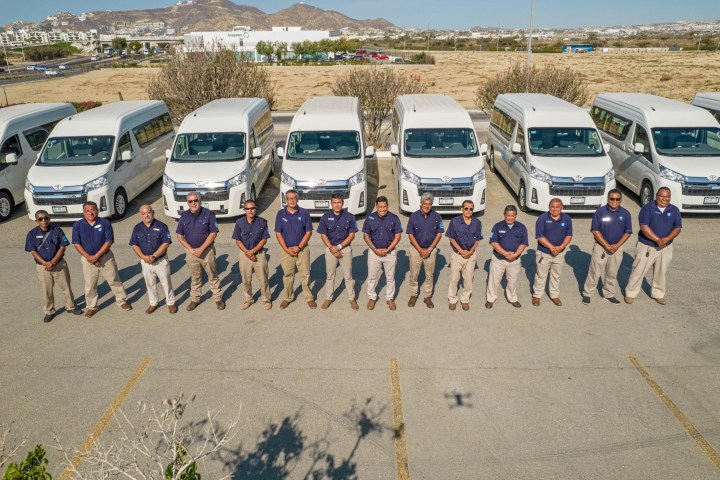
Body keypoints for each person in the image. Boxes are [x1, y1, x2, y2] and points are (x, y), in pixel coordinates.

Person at [72, 201, 131, 317]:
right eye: (87, 210)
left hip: (106, 258)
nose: (90, 212)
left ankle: (122, 301)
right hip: (87, 259)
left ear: (97, 211)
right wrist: (88, 257)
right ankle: (92, 306)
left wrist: (97, 256)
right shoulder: (78, 225)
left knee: (114, 280)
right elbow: (76, 243)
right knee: (90, 285)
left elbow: (108, 241)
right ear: (83, 213)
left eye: (93, 209)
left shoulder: (105, 223)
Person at [624, 187, 682, 305]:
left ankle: (658, 294)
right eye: (661, 196)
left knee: (661, 272)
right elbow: (644, 227)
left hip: (666, 247)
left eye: (667, 197)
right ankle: (630, 293)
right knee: (638, 270)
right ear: (656, 195)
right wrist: (657, 240)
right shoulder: (647, 208)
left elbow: (678, 228)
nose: (664, 199)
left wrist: (666, 239)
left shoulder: (674, 210)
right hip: (647, 246)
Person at [25, 210, 82, 322]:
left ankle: (71, 307)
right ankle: (49, 311)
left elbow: (62, 247)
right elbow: (33, 251)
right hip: (42, 267)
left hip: (59, 264)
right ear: (36, 221)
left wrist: (53, 262)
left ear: (49, 218)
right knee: (46, 290)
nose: (44, 220)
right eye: (40, 219)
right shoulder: (32, 234)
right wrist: (45, 263)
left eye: (46, 218)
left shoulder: (57, 230)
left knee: (66, 287)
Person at [581, 190, 632, 305]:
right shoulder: (600, 212)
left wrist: (617, 246)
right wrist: (606, 245)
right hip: (601, 247)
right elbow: (595, 230)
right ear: (608, 199)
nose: (614, 201)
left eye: (617, 199)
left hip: (617, 248)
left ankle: (608, 294)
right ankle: (587, 294)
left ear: (620, 200)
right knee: (594, 272)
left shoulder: (625, 214)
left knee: (612, 273)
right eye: (612, 199)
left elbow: (627, 232)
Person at [176, 192, 225, 311]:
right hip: (191, 252)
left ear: (200, 200)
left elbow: (213, 234)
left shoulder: (208, 214)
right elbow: (179, 235)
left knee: (212, 276)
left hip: (207, 252)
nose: (193, 203)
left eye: (195, 200)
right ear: (187, 203)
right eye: (190, 201)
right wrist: (191, 249)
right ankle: (195, 299)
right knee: (195, 277)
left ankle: (218, 299)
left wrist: (201, 249)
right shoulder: (184, 216)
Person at [129, 204, 176, 314]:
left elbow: (165, 243)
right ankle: (153, 303)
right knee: (150, 284)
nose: (146, 215)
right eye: (143, 213)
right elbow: (134, 245)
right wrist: (143, 257)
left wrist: (154, 256)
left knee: (166, 282)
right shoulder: (137, 228)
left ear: (153, 212)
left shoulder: (162, 226)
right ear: (140, 215)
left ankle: (171, 303)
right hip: (145, 262)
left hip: (161, 261)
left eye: (148, 212)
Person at [317, 193, 359, 310]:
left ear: (343, 203)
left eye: (339, 202)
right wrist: (332, 248)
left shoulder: (350, 217)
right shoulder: (325, 217)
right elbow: (323, 234)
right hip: (330, 248)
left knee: (348, 276)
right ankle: (329, 298)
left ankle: (352, 299)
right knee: (330, 276)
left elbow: (351, 235)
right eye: (334, 203)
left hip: (345, 248)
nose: (337, 205)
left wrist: (339, 247)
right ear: (331, 204)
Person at [275, 189, 315, 309]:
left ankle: (309, 298)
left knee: (305, 274)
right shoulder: (281, 214)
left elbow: (308, 232)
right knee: (288, 274)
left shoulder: (304, 213)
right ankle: (288, 297)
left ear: (297, 199)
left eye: (294, 198)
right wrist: (287, 249)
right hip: (286, 250)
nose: (292, 200)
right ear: (286, 200)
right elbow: (278, 233)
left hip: (302, 249)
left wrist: (299, 247)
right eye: (289, 198)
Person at [363, 196, 402, 310]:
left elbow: (398, 236)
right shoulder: (370, 218)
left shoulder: (394, 218)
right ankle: (372, 297)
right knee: (371, 277)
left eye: (384, 206)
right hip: (374, 252)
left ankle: (389, 298)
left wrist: (388, 249)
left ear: (387, 206)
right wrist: (375, 250)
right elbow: (366, 236)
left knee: (390, 278)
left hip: (389, 253)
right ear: (376, 206)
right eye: (380, 207)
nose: (382, 209)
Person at [406, 192, 444, 308]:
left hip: (430, 251)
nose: (427, 206)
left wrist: (430, 249)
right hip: (416, 250)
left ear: (431, 204)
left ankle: (427, 297)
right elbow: (410, 235)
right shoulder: (413, 216)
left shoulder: (437, 216)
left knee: (429, 275)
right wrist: (420, 250)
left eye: (429, 204)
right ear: (421, 203)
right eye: (424, 203)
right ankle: (413, 295)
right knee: (414, 274)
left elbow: (439, 234)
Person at [532, 198, 573, 306]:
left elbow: (569, 235)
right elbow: (540, 236)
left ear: (561, 207)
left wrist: (561, 247)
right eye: (552, 207)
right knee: (541, 275)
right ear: (549, 207)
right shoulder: (542, 218)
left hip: (559, 253)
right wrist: (552, 248)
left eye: (557, 207)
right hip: (544, 253)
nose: (555, 209)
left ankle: (554, 295)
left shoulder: (567, 219)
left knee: (556, 275)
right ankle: (537, 295)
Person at [486, 205, 528, 309]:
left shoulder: (522, 227)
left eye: (512, 216)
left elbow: (523, 243)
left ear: (516, 216)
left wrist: (515, 255)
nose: (510, 218)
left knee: (512, 281)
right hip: (498, 259)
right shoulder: (497, 226)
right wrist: (505, 253)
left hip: (514, 260)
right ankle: (490, 299)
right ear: (504, 215)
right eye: (508, 215)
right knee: (494, 280)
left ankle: (512, 298)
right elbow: (493, 242)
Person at [232, 199, 272, 311]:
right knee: (246, 279)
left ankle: (266, 299)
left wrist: (253, 251)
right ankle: (248, 299)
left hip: (259, 254)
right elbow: (237, 240)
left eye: (253, 208)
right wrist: (247, 252)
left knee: (263, 278)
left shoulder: (262, 222)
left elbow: (264, 239)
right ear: (244, 210)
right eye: (248, 208)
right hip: (245, 255)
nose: (250, 211)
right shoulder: (239, 222)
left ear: (256, 209)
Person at [445, 200, 482, 311]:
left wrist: (471, 251)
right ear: (462, 209)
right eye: (466, 208)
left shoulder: (477, 223)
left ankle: (465, 299)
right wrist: (461, 250)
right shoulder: (454, 221)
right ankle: (452, 299)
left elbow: (477, 239)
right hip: (457, 254)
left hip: (471, 255)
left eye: (471, 209)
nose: (468, 211)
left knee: (468, 279)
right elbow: (451, 238)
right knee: (454, 278)